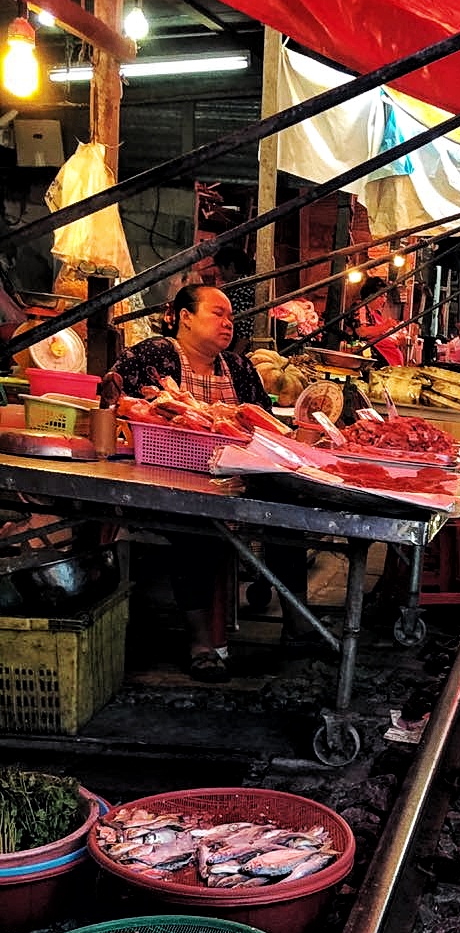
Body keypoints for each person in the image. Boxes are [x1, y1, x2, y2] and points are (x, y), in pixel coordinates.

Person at [110, 284, 310, 680]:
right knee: (197, 530)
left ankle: (299, 624)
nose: (227, 323)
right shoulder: (156, 355)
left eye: (231, 317)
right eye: (217, 313)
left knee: (289, 516)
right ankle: (201, 643)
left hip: (236, 480)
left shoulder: (238, 368)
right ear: (184, 316)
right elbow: (112, 392)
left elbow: (265, 426)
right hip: (165, 477)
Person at [210, 243, 256, 353]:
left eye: (220, 268)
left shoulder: (241, 290)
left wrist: (233, 358)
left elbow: (244, 334)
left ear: (231, 267)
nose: (219, 273)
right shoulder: (241, 285)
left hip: (241, 353)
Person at [354, 276, 405, 367]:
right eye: (381, 296)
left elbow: (380, 333)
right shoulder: (361, 307)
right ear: (370, 295)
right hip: (364, 356)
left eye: (385, 296)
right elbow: (362, 332)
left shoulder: (376, 313)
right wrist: (387, 325)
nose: (384, 300)